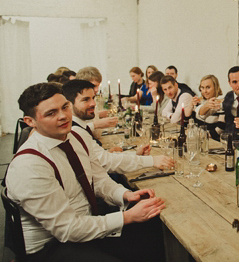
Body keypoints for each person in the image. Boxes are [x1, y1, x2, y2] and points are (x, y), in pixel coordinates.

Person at [6, 83, 166, 261]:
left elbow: (98, 179)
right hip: (51, 247)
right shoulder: (29, 165)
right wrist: (127, 217)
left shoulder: (76, 136)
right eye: (51, 113)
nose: (63, 116)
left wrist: (125, 194)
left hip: (86, 224)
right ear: (30, 121)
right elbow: (67, 229)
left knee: (153, 227)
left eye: (65, 107)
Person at [63, 80, 173, 173]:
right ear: (68, 104)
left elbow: (102, 159)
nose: (93, 103)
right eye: (85, 100)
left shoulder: (79, 126)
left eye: (93, 98)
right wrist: (151, 161)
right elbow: (107, 163)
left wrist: (135, 154)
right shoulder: (74, 130)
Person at [191, 74, 225, 139]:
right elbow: (193, 122)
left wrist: (203, 136)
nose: (205, 91)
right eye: (202, 88)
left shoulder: (220, 103)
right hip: (199, 138)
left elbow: (220, 128)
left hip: (213, 141)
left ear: (215, 87)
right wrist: (192, 106)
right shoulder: (200, 101)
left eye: (208, 87)